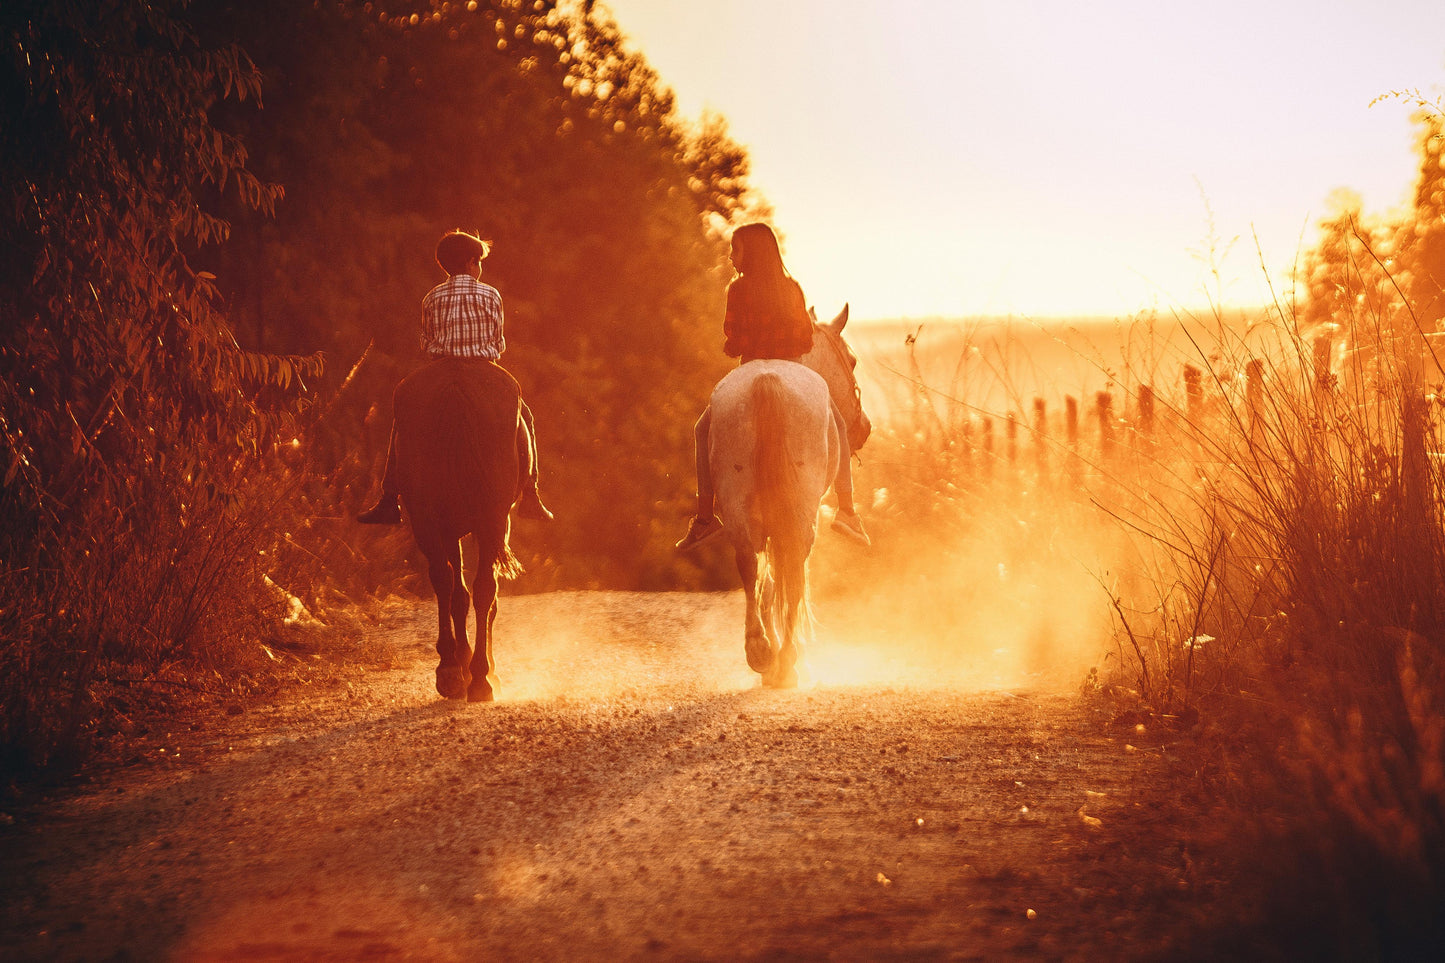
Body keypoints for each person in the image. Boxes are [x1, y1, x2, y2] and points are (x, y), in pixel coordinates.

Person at [675, 222, 868, 550]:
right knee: (836, 423)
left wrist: (742, 345)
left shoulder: (737, 291)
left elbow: (732, 338)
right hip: (793, 364)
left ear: (751, 253)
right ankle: (847, 511)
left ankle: (705, 518)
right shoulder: (792, 288)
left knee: (702, 429)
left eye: (736, 250)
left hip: (750, 365)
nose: (731, 257)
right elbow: (806, 337)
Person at [357, 229, 553, 524]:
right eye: (479, 262)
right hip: (483, 366)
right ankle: (531, 494)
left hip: (442, 366)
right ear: (472, 262)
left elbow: (427, 343)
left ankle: (389, 497)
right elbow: (497, 342)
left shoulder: (431, 297)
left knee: (403, 415)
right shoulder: (491, 294)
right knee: (524, 415)